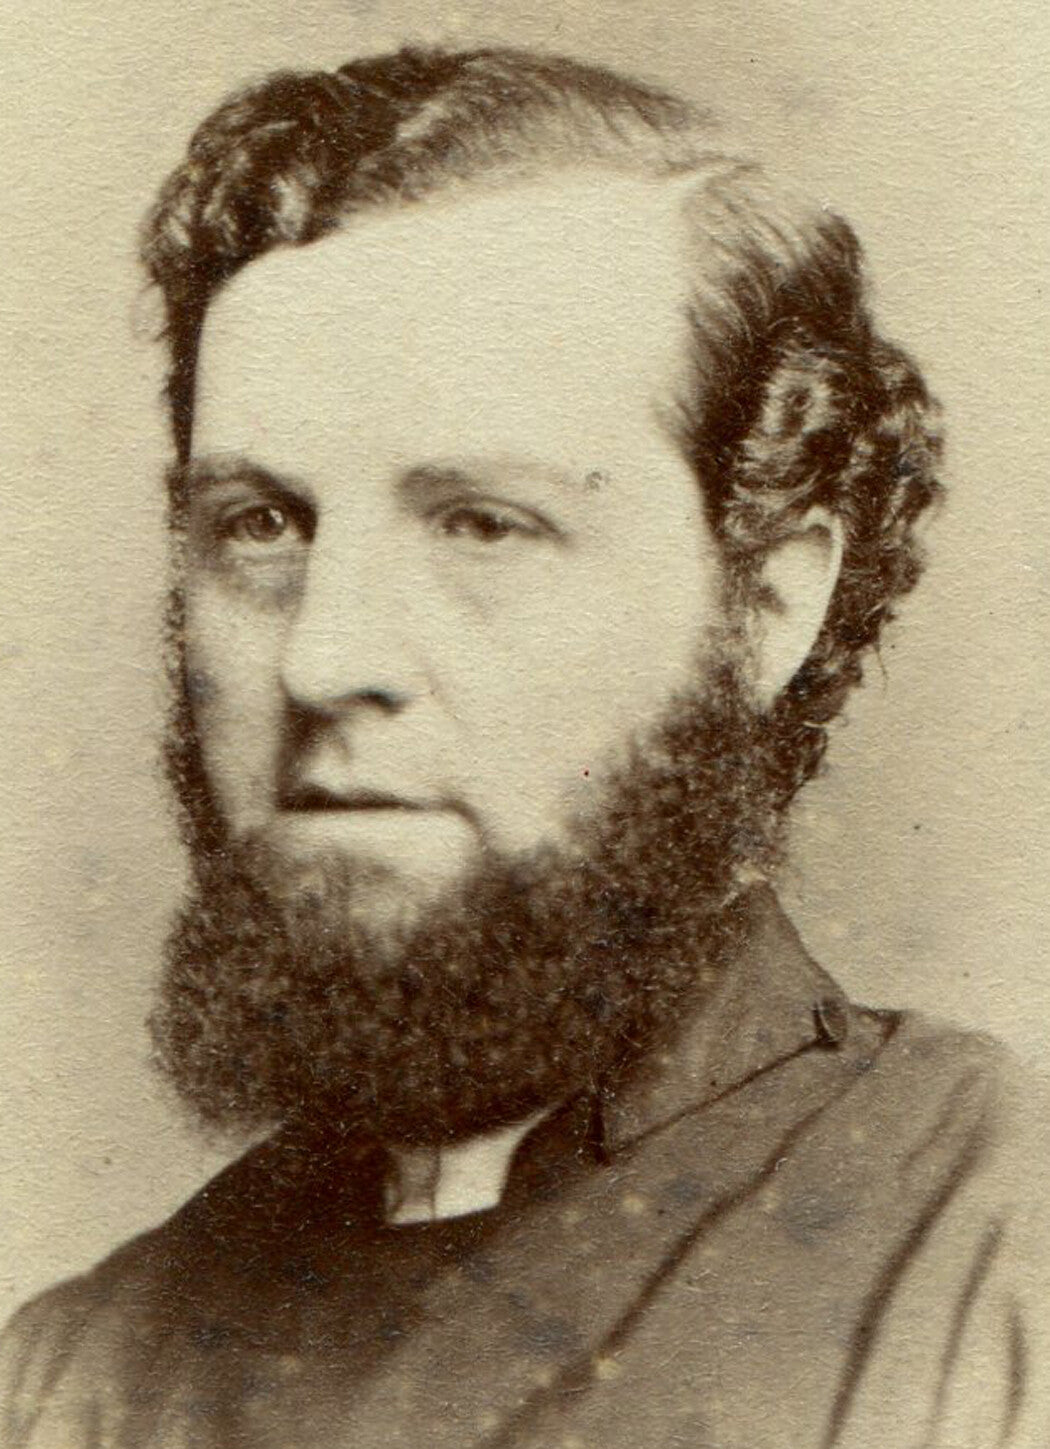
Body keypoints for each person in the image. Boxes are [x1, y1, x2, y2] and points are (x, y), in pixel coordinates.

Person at [1, 44, 1045, 1449]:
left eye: (482, 523)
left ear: (768, 601)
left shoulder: (997, 1261)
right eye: (261, 524)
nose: (324, 657)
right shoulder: (71, 1379)